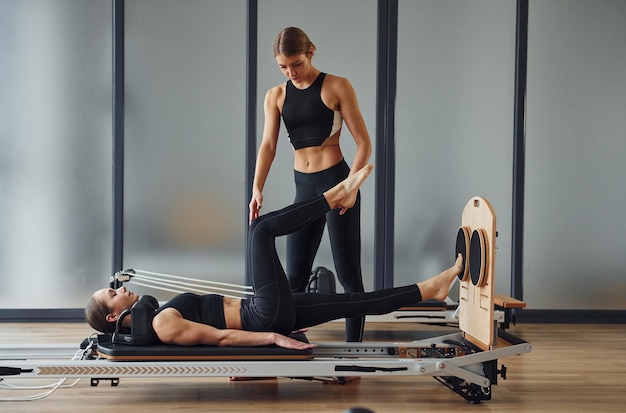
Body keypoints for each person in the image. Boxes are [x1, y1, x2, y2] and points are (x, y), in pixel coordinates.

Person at [87, 165, 463, 350]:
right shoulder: (162, 326)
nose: (120, 289)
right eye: (112, 293)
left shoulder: (154, 318)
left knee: (352, 302)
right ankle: (335, 196)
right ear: (111, 314)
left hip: (267, 310)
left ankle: (429, 289)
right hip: (263, 314)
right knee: (260, 231)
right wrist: (275, 339)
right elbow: (220, 339)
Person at [249, 27, 373, 342]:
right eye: (283, 67)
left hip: (336, 183)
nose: (291, 72)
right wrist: (257, 188)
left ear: (311, 52)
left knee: (348, 276)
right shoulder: (275, 95)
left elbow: (363, 143)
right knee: (293, 279)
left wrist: (351, 187)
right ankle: (286, 346)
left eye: (297, 64)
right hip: (303, 189)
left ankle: (354, 354)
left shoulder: (336, 86)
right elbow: (268, 146)